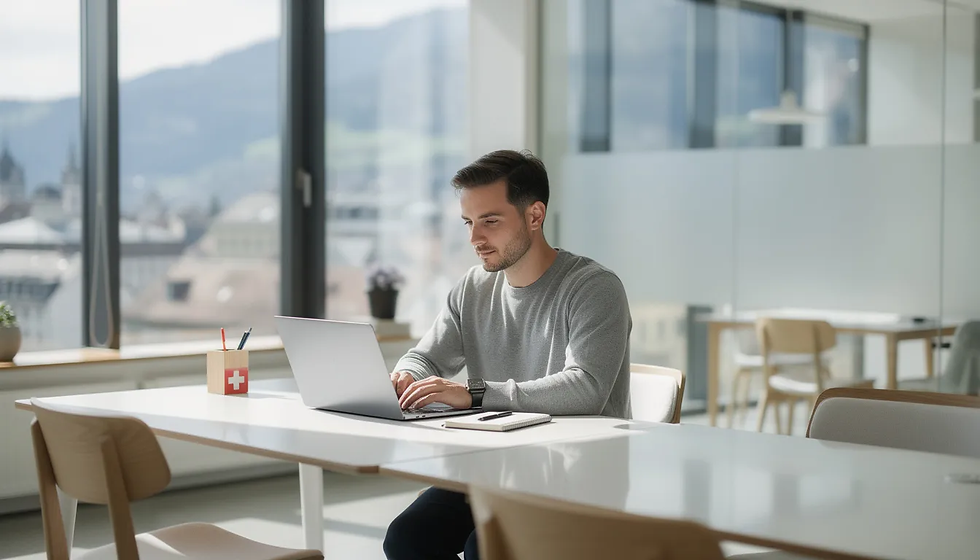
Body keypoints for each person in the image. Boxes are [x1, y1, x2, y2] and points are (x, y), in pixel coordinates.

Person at [382, 149, 632, 560]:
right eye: (469, 222)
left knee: (485, 549)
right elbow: (425, 356)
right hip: (490, 469)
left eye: (491, 221)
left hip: (572, 478)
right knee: (408, 538)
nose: (475, 239)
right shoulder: (474, 287)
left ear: (535, 215)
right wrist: (406, 374)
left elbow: (587, 387)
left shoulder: (594, 288)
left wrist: (475, 392)